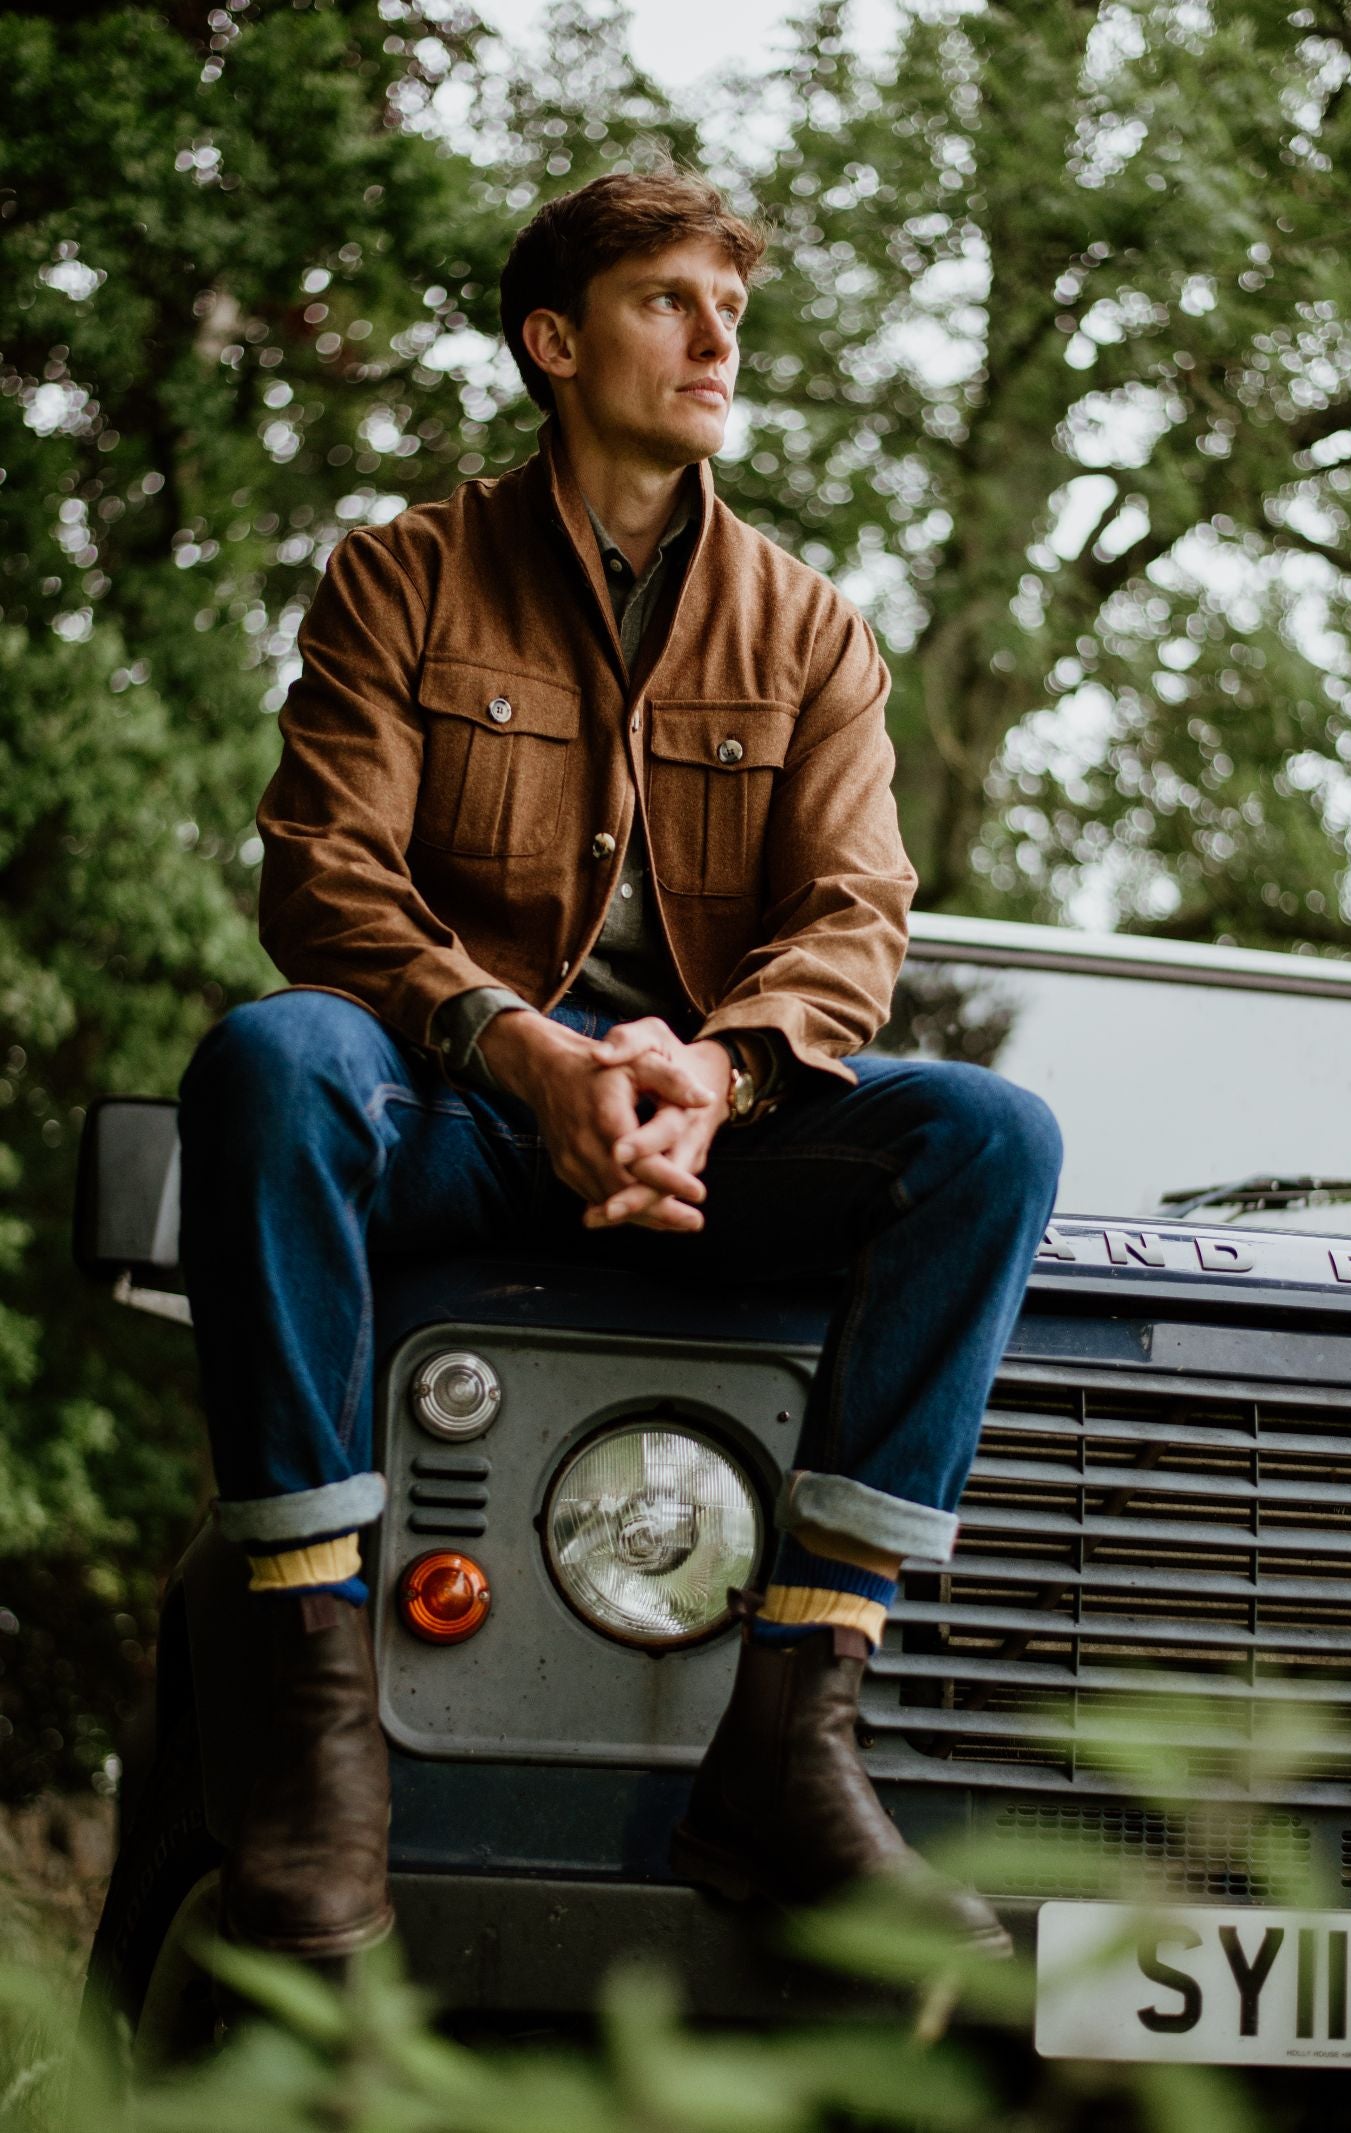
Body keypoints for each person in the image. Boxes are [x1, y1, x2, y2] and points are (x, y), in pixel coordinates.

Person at [177, 162, 1062, 1962]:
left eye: (731, 303)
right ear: (554, 342)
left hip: (702, 1131)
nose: (717, 331)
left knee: (988, 1136)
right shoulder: (399, 577)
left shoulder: (810, 627)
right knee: (270, 1061)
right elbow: (323, 875)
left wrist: (710, 1080)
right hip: (452, 1111)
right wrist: (520, 1052)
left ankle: (794, 1734)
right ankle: (319, 1739)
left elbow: (855, 917)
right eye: (671, 298)